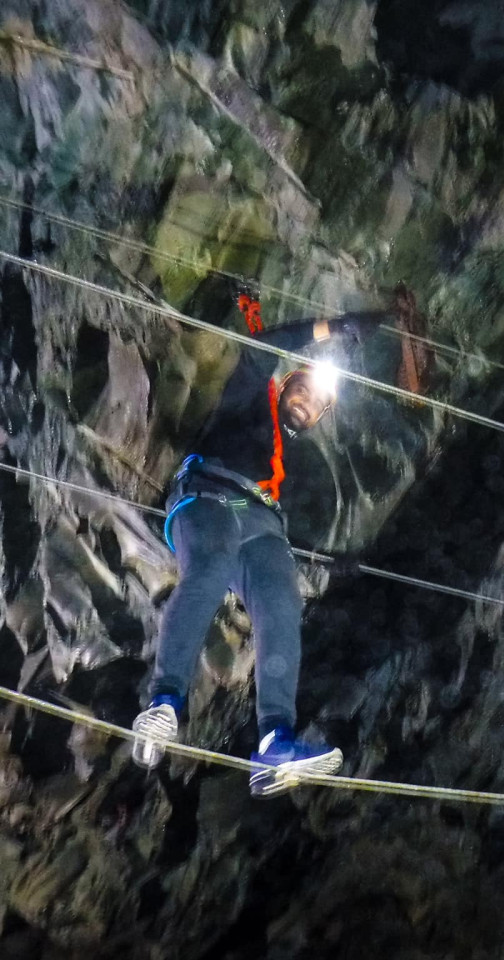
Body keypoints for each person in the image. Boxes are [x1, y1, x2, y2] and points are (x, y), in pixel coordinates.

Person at [131, 294, 397, 797]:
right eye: (304, 390)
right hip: (211, 493)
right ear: (287, 384)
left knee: (281, 604)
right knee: (209, 570)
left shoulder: (284, 462)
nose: (309, 403)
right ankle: (164, 704)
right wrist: (334, 327)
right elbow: (260, 349)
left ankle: (275, 742)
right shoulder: (251, 399)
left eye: (319, 405)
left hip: (264, 521)